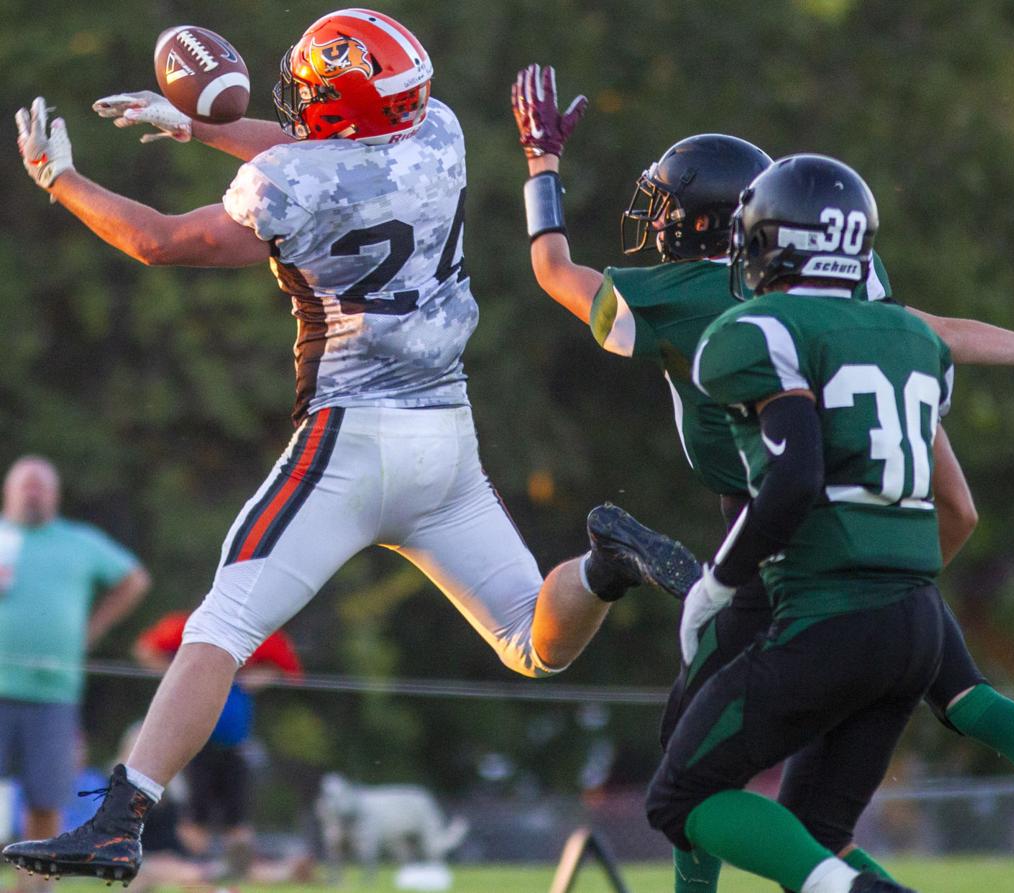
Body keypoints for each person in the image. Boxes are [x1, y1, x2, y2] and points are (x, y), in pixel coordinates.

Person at [4, 10, 699, 884]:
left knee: (221, 624)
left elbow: (161, 239)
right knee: (533, 640)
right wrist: (194, 124)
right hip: (446, 441)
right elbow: (317, 153)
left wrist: (59, 178)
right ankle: (600, 567)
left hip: (347, 437)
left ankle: (118, 819)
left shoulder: (285, 186)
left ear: (340, 107)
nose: (294, 92)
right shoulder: (439, 133)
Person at [510, 66, 1014, 893]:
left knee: (686, 779)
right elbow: (956, 468)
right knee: (952, 708)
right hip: (897, 552)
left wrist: (541, 162)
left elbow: (553, 270)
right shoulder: (872, 304)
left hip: (784, 551)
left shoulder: (720, 309)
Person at [0, 457, 150, 893]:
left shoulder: (79, 542)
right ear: (9, 491)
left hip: (54, 694)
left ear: (55, 495)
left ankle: (33, 888)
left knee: (46, 795)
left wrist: (93, 628)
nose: (33, 493)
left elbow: (134, 580)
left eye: (41, 487)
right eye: (25, 486)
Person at [133, 613, 302, 875]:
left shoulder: (256, 631)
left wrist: (260, 675)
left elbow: (287, 667)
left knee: (237, 813)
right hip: (195, 745)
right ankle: (196, 868)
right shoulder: (188, 626)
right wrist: (181, 675)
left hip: (235, 744)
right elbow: (145, 649)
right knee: (196, 813)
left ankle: (235, 868)